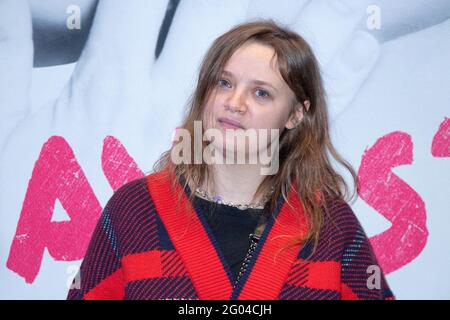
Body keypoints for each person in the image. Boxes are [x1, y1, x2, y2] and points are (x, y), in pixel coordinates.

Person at [67, 19, 394, 300]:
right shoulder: (133, 210)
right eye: (224, 83)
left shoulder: (331, 225)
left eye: (261, 92)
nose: (234, 103)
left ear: (295, 115)